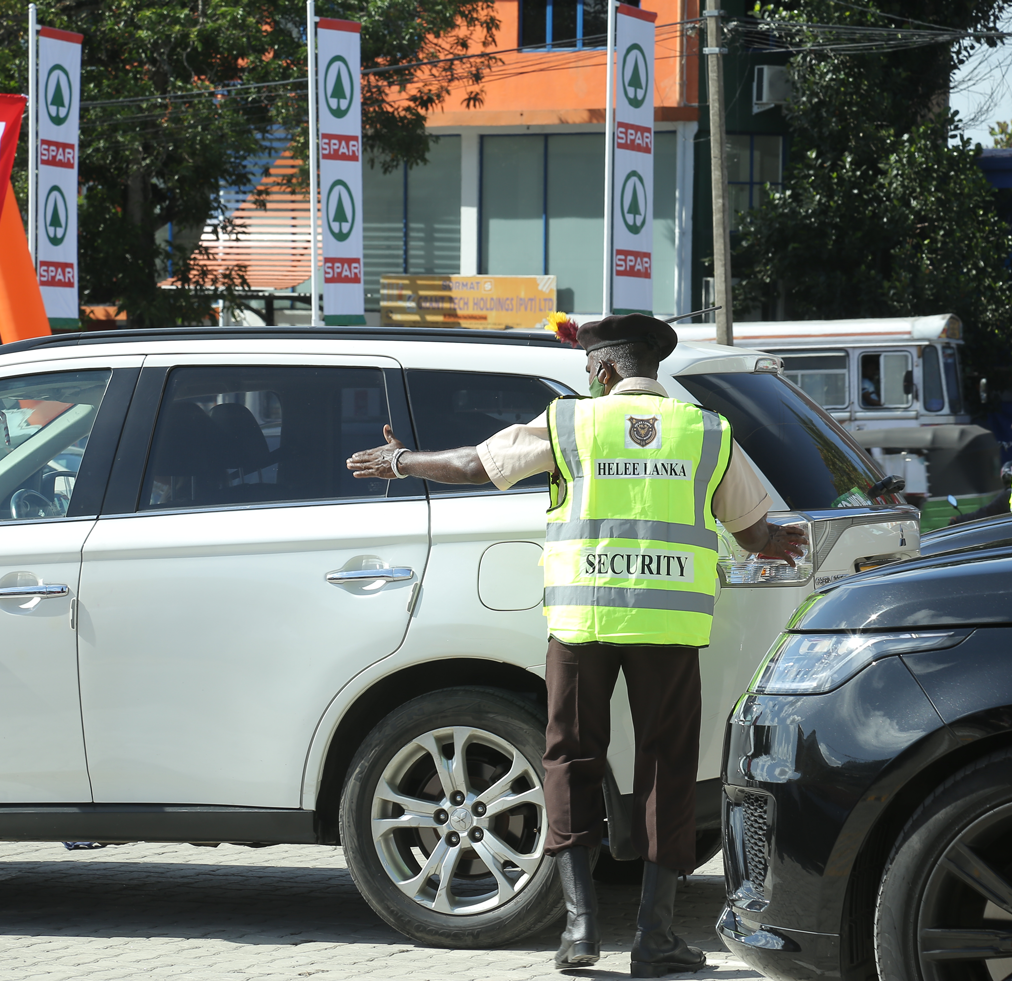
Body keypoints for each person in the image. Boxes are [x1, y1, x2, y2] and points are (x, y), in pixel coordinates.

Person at [344, 314, 807, 977]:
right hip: (668, 629)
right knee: (665, 770)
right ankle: (655, 936)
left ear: (609, 371)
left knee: (569, 757)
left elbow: (479, 463)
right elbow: (753, 530)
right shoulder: (706, 433)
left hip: (583, 624)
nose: (589, 378)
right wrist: (775, 542)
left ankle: (581, 928)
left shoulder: (572, 423)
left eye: (593, 369)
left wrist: (399, 461)